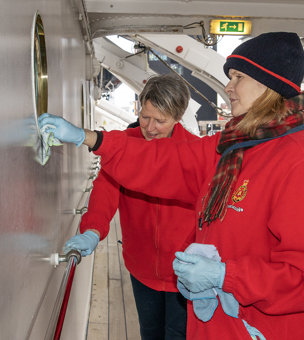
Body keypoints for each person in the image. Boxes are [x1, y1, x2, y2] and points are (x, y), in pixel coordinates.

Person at [39, 32, 304, 340]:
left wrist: (226, 276)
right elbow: (162, 162)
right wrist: (89, 138)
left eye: (238, 77)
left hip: (257, 329)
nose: (228, 86)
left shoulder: (301, 168)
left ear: (268, 85)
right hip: (217, 324)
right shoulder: (234, 149)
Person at [46, 73, 199, 340]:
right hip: (141, 269)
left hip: (185, 272)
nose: (149, 127)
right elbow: (105, 190)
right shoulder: (123, 145)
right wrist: (93, 229)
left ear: (178, 116)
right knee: (150, 333)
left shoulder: (196, 152)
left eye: (160, 121)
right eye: (145, 117)